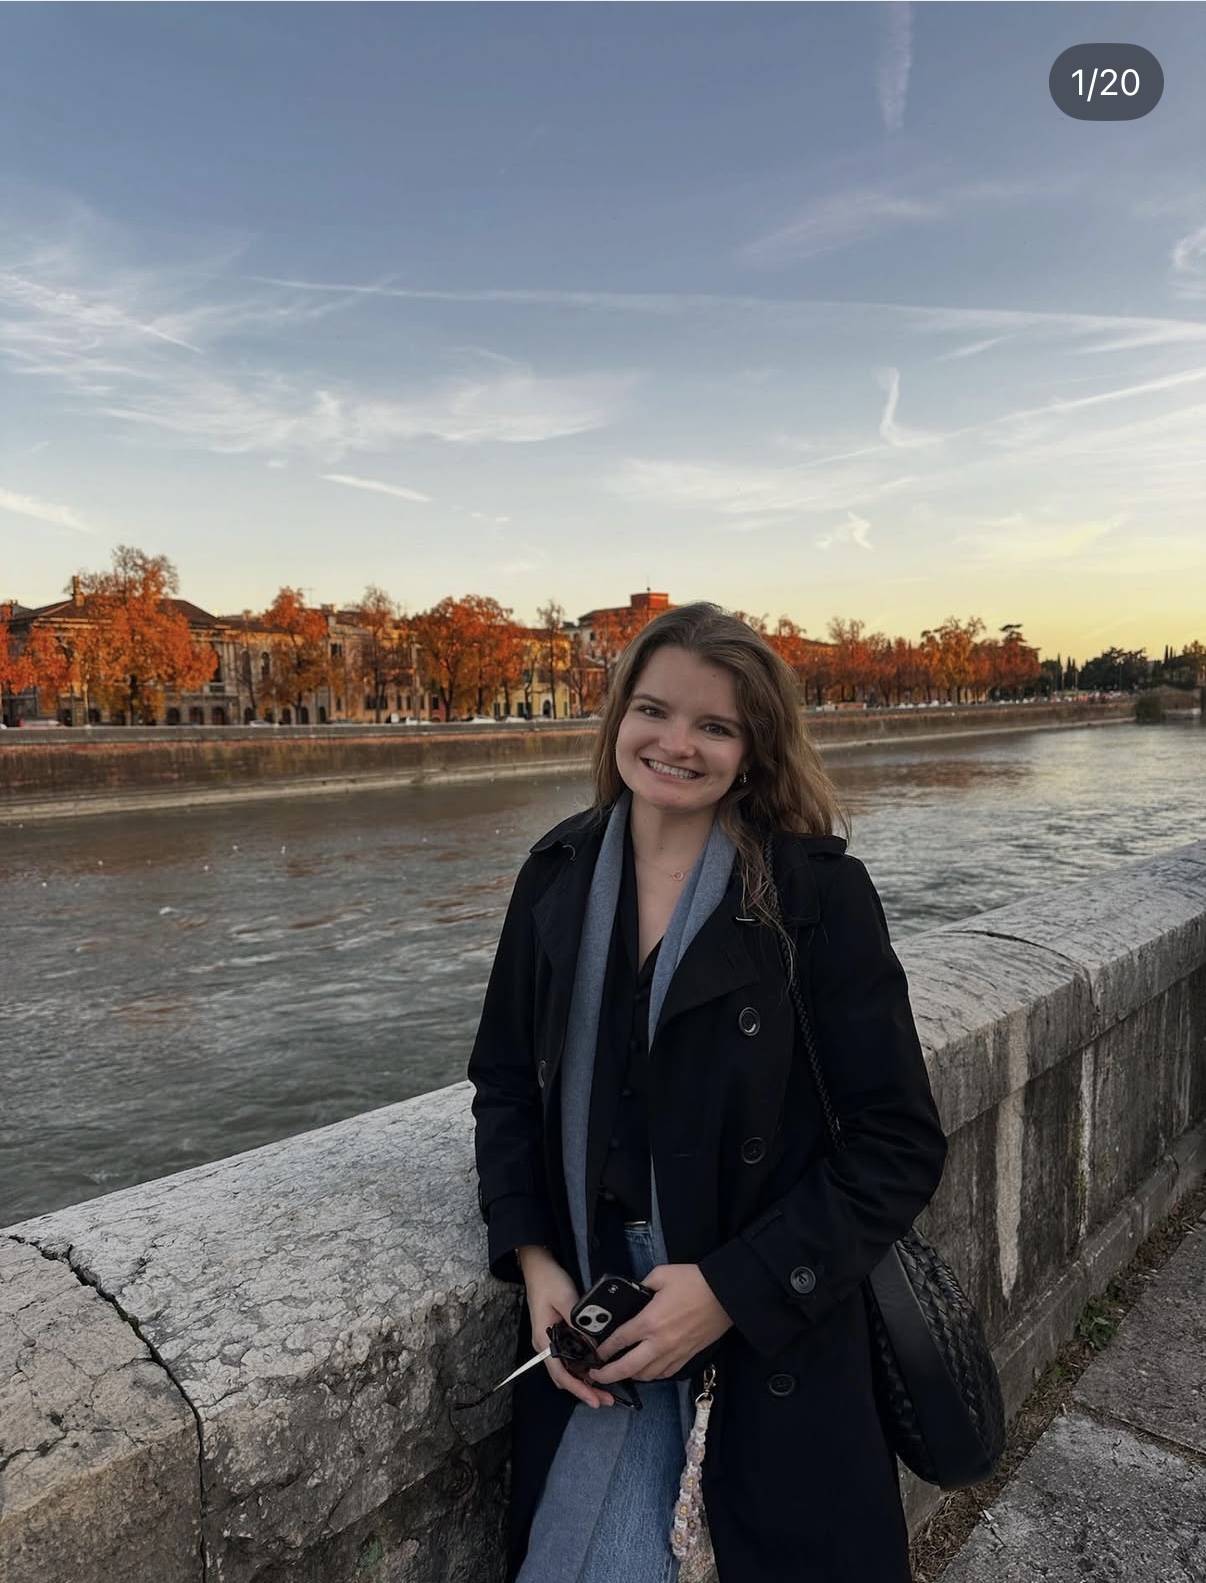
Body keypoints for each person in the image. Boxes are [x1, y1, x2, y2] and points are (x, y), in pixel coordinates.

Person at [467, 602, 948, 1583]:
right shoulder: (555, 872)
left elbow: (898, 1141)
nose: (676, 743)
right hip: (601, 1306)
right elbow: (506, 1081)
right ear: (619, 718)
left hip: (767, 1311)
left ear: (754, 747)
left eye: (715, 725)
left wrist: (732, 1289)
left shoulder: (815, 896)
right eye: (654, 710)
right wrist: (537, 1261)